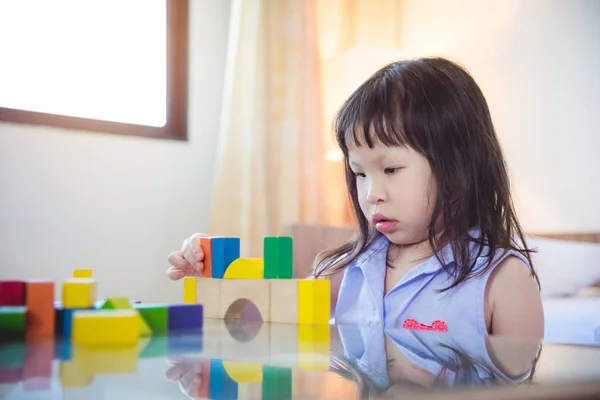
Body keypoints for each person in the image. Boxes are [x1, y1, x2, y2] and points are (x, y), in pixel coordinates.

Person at [167, 57, 544, 339]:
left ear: (458, 167)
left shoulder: (502, 281)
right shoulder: (352, 269)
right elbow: (260, 313)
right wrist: (212, 274)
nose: (371, 194)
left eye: (391, 170)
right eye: (360, 173)